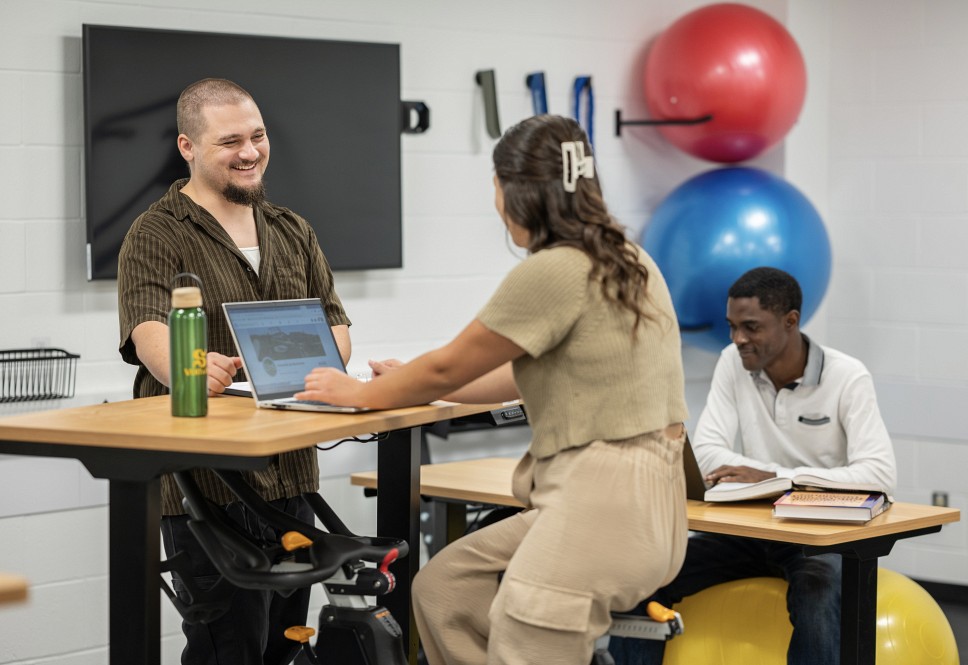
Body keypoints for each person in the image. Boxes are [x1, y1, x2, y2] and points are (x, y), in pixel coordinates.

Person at [295, 114, 689, 665]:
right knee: (447, 591)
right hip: (652, 508)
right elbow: (511, 374)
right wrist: (410, 385)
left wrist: (356, 392)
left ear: (517, 193)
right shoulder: (628, 260)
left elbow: (446, 368)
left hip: (601, 503)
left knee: (525, 639)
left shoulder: (555, 270)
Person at [117, 78, 351, 665]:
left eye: (258, 136)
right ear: (188, 147)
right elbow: (150, 334)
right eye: (230, 142)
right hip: (206, 486)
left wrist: (318, 363)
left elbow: (338, 330)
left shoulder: (293, 229)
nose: (250, 152)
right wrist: (194, 369)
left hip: (291, 475)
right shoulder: (156, 231)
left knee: (284, 646)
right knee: (229, 648)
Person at [609, 266, 897, 665]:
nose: (737, 339)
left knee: (820, 589)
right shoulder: (733, 362)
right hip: (748, 528)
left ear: (790, 321)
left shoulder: (847, 377)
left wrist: (777, 479)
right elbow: (708, 452)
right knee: (642, 577)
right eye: (731, 327)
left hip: (816, 537)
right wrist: (765, 480)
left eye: (750, 327)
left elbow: (880, 476)